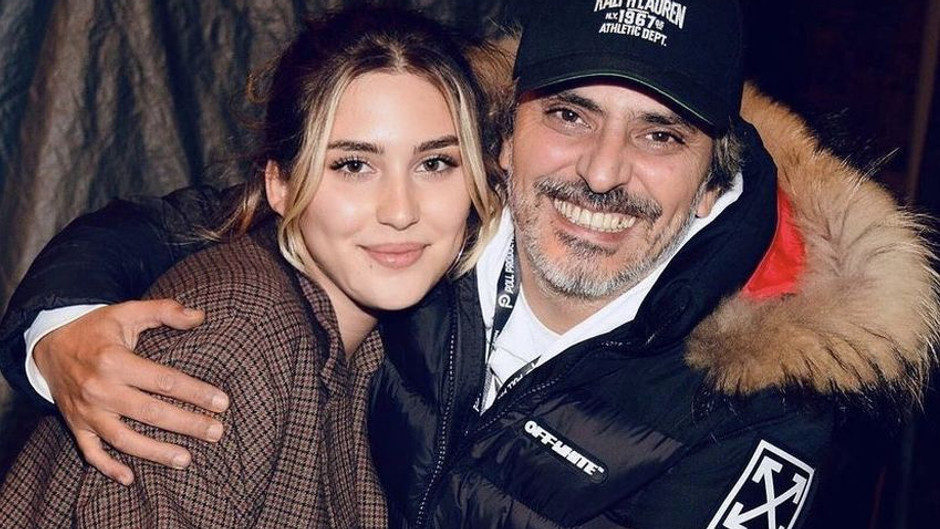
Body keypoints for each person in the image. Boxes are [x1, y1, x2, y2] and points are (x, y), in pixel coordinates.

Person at [1, 0, 938, 527]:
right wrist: (58, 337)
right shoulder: (421, 233)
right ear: (507, 133)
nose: (601, 173)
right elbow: (164, 227)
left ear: (710, 180)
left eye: (659, 135)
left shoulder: (759, 410)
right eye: (569, 114)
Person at [0, 6, 505, 527]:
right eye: (354, 165)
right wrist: (54, 330)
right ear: (278, 184)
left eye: (435, 163)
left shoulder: (360, 338)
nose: (400, 211)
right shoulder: (241, 333)